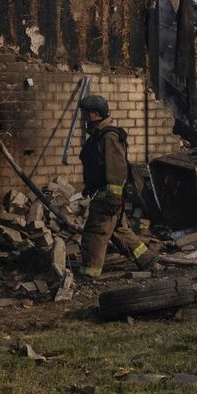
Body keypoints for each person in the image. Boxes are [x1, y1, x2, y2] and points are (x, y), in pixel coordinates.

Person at [76, 92, 154, 278]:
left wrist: (113, 198)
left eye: (86, 113)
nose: (83, 117)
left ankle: (89, 273)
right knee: (119, 231)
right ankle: (147, 259)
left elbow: (117, 169)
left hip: (108, 196)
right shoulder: (98, 136)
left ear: (96, 114)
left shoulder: (109, 137)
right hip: (105, 194)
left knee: (95, 232)